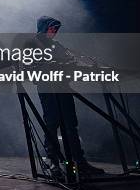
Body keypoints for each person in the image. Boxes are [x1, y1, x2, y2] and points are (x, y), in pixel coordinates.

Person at [33, 16, 104, 179]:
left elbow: (70, 59)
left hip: (63, 88)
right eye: (52, 29)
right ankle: (53, 162)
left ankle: (80, 162)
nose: (54, 32)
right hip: (48, 90)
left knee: (71, 125)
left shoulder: (56, 45)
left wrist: (86, 64)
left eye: (56, 29)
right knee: (52, 123)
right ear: (43, 27)